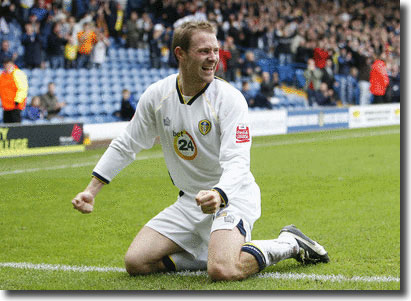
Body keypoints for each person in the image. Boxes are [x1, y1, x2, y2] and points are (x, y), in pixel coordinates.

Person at [71, 21, 329, 281]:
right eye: (204, 51)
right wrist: (91, 190)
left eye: (216, 51)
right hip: (189, 201)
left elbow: (237, 161)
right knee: (137, 262)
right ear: (180, 54)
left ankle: (289, 243)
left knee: (223, 271)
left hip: (232, 198)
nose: (213, 58)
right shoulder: (157, 95)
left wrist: (219, 193)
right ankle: (216, 252)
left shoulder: (229, 99)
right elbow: (127, 143)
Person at [0, 58, 28, 123]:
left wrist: (18, 100)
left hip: (15, 106)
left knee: (16, 126)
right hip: (6, 106)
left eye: (8, 64)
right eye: (5, 65)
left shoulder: (17, 74)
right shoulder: (2, 76)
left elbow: (22, 88)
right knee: (7, 127)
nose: (7, 66)